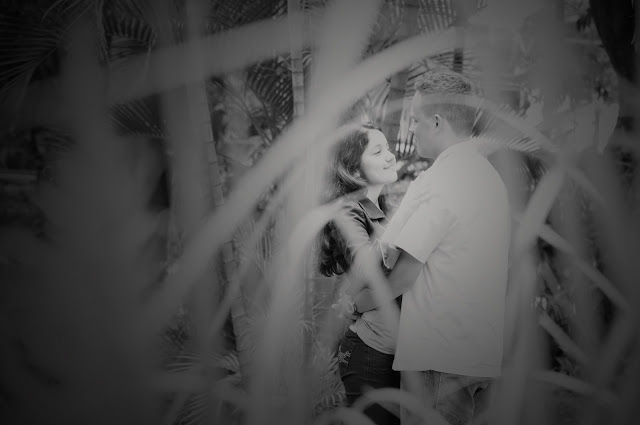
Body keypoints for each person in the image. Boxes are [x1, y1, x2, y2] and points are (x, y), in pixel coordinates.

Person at [344, 70, 511, 425]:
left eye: (416, 120)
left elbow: (404, 273)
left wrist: (357, 304)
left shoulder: (442, 179)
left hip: (440, 357)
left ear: (436, 122)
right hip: (478, 353)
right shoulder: (488, 177)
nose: (411, 129)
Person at [318, 123, 428, 425]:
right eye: (378, 151)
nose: (391, 156)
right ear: (354, 167)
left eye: (388, 148)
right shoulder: (347, 210)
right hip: (370, 353)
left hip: (396, 352)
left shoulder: (381, 210)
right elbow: (365, 268)